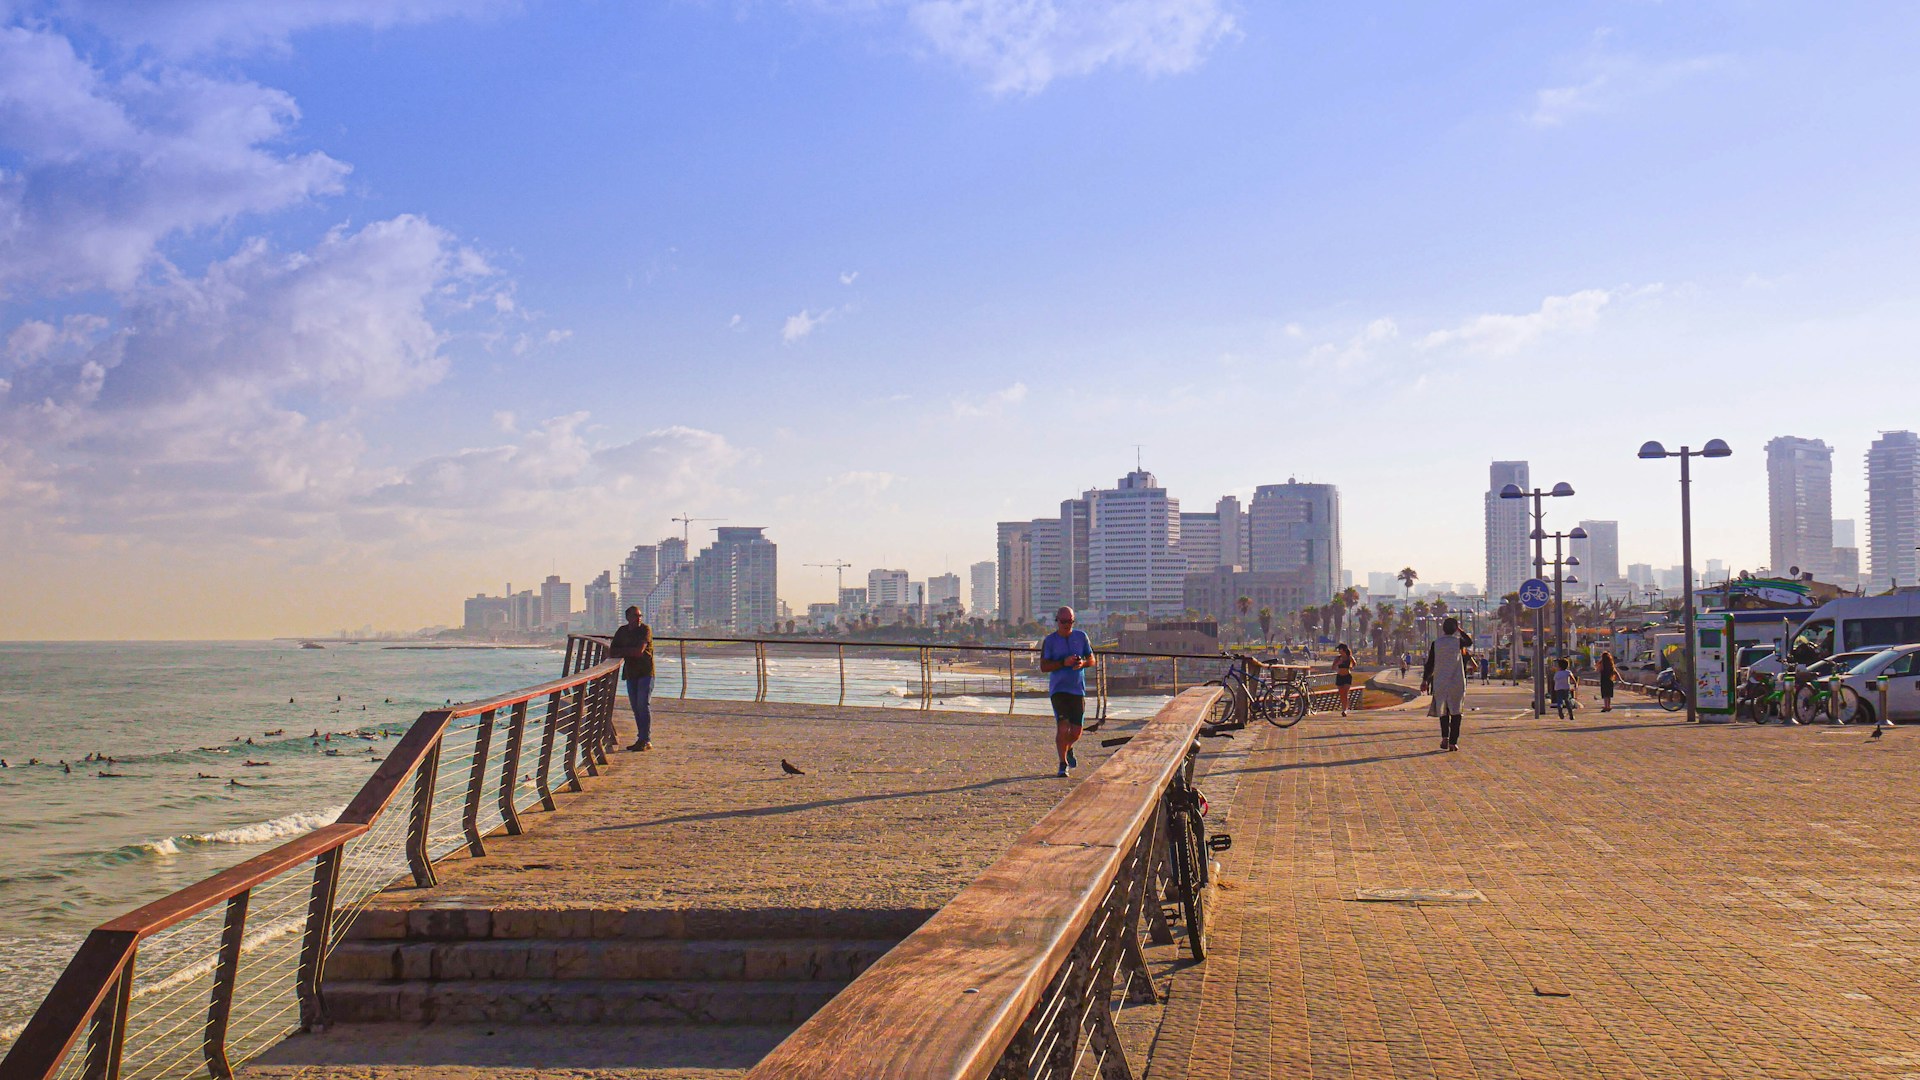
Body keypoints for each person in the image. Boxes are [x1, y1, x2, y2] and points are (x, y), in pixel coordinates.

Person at [1039, 606, 1097, 778]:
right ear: (1057, 621)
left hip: (1077, 689)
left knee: (1077, 731)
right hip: (1059, 690)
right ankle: (1062, 763)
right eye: (1063, 621)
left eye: (1070, 621)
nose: (1067, 625)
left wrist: (1082, 664)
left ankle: (1069, 747)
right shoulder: (1050, 641)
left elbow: (1092, 659)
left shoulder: (1081, 637)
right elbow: (1043, 666)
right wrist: (1063, 663)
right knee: (1063, 727)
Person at [610, 606, 656, 752]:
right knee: (636, 707)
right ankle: (641, 739)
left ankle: (646, 739)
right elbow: (612, 651)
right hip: (631, 673)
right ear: (628, 617)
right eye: (636, 615)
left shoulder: (645, 629)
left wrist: (623, 651)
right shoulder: (622, 631)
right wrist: (628, 651)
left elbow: (639, 651)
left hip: (646, 672)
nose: (639, 618)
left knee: (643, 705)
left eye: (640, 615)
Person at [1421, 617, 1471, 751]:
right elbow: (1469, 642)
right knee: (1456, 712)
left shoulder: (1436, 643)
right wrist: (1459, 630)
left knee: (1443, 711)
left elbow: (1430, 663)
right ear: (1455, 629)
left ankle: (1445, 737)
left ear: (1443, 629)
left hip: (1440, 682)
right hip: (1456, 682)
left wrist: (1425, 680)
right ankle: (1453, 742)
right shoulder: (1458, 642)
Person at [1332, 643, 1356, 717]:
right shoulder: (1338, 658)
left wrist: (1351, 666)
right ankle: (1343, 707)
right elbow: (1333, 667)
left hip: (1347, 676)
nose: (1339, 651)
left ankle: (1345, 710)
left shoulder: (1349, 657)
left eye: (1340, 649)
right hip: (1340, 676)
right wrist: (1338, 664)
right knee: (1342, 694)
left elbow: (1354, 663)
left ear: (1344, 649)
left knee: (1345, 693)